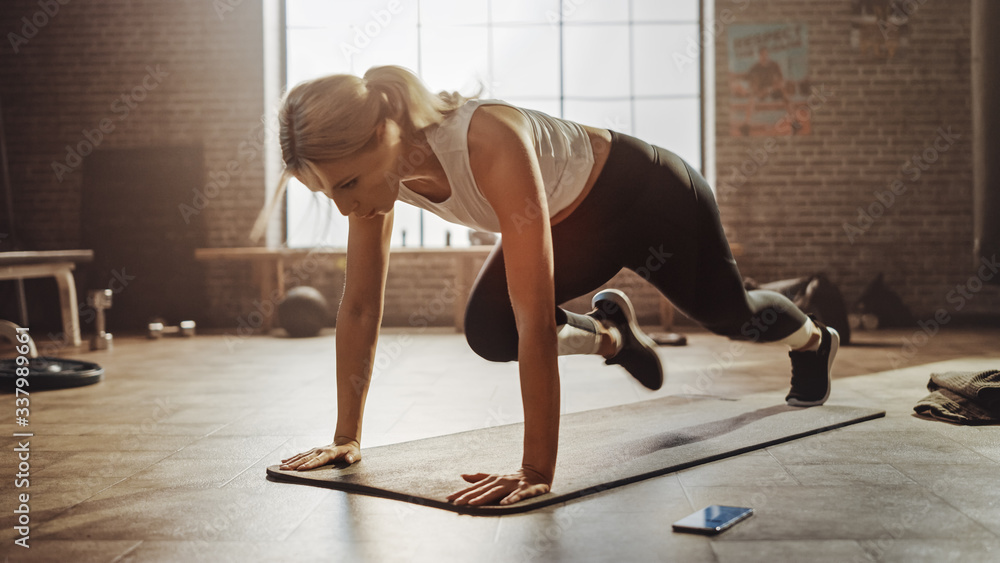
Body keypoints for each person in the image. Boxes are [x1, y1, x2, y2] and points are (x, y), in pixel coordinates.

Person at [261, 65, 839, 508]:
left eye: (349, 185)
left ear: (383, 132)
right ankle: (612, 335)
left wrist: (535, 471)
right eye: (328, 194)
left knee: (732, 317)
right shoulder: (377, 183)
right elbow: (360, 305)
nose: (345, 207)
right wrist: (345, 436)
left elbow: (536, 318)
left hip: (650, 197)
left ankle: (815, 340)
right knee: (489, 330)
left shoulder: (486, 140)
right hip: (574, 227)